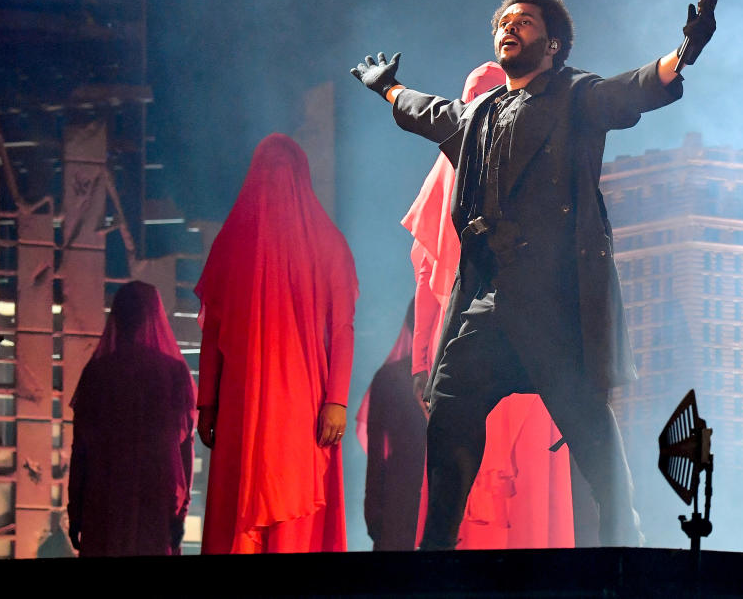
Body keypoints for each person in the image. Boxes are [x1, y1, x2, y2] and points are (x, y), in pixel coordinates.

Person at [350, 0, 715, 549]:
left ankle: (627, 532)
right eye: (504, 20)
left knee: (587, 423)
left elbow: (630, 91)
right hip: (491, 303)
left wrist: (680, 58)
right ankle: (436, 550)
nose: (509, 26)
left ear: (553, 44)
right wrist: (389, 88)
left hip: (553, 301)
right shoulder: (479, 116)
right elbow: (429, 113)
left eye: (524, 20)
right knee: (450, 408)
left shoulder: (575, 96)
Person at [403, 61, 575, 549]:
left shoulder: (448, 174)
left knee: (460, 487)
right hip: (532, 355)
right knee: (525, 507)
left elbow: (427, 277)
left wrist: (424, 365)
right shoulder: (537, 166)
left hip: (463, 355)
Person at [195, 133, 358, 554]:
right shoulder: (328, 242)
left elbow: (211, 330)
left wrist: (208, 404)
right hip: (301, 403)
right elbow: (343, 329)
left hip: (241, 404)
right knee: (294, 509)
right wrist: (336, 400)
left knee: (244, 508)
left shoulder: (231, 244)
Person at [67, 280, 195, 557]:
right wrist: (180, 512)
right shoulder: (172, 372)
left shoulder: (98, 373)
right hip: (156, 500)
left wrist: (75, 510)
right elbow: (183, 447)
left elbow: (81, 450)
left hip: (104, 500)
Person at [359, 302, 427, 551]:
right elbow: (376, 452)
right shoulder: (388, 378)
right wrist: (374, 509)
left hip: (432, 493)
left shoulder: (461, 379)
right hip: (400, 495)